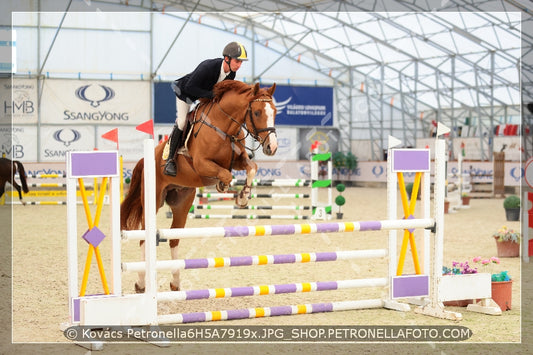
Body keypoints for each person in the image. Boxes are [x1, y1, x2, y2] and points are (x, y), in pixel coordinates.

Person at [164, 41, 248, 176]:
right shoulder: (208, 67)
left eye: (241, 62)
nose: (239, 65)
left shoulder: (231, 74)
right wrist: (210, 95)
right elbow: (190, 87)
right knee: (182, 122)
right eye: (237, 61)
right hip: (185, 94)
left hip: (204, 97)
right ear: (227, 58)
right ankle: (170, 160)